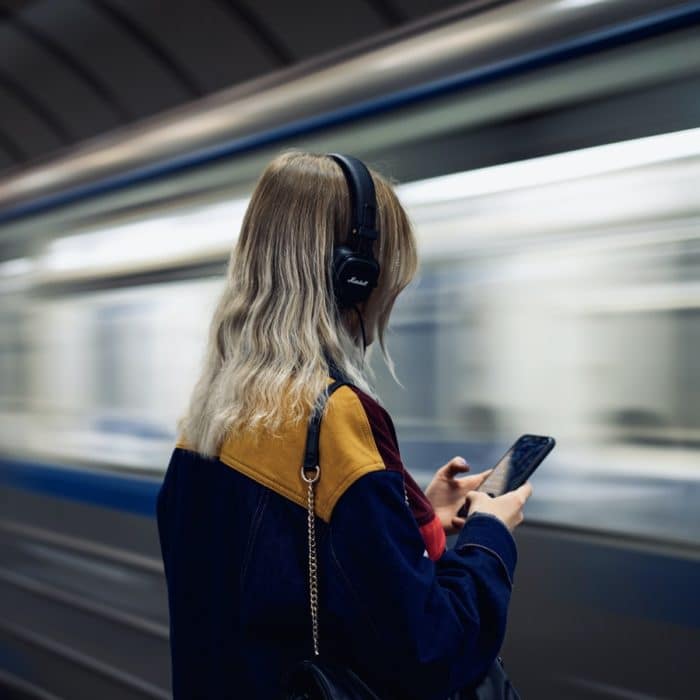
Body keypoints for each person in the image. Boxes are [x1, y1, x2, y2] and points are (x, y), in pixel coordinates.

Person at [156, 151, 532, 700]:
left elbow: (292, 575)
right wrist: (489, 537)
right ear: (354, 277)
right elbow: (431, 649)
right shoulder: (331, 419)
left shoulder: (206, 423)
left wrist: (414, 513)